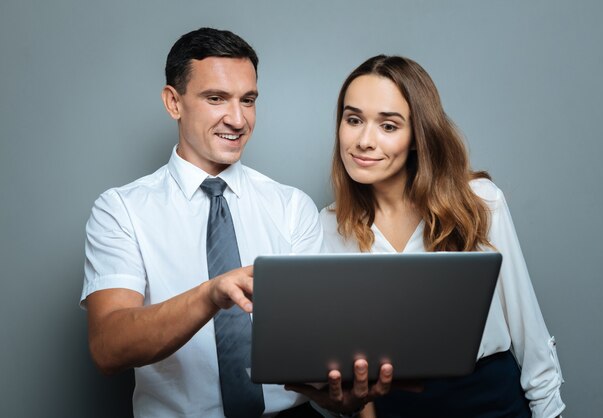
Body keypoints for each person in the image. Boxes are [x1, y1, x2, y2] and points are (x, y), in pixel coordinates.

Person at [80, 28, 390, 418]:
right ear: (173, 102)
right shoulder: (120, 210)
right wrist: (210, 295)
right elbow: (108, 347)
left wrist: (339, 395)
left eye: (248, 100)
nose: (238, 119)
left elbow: (315, 340)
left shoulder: (291, 207)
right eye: (216, 99)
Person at [320, 55, 566, 418]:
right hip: (394, 405)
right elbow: (351, 355)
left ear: (418, 137)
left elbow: (527, 327)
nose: (364, 141)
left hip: (489, 399)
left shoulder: (479, 201)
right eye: (353, 119)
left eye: (388, 126)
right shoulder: (328, 227)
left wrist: (550, 411)